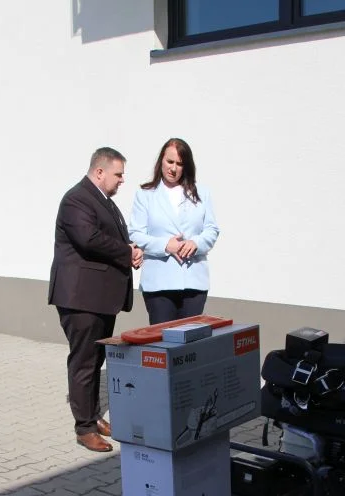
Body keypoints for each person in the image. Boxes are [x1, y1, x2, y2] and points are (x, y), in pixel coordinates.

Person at [48, 147, 144, 453]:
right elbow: (88, 239)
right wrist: (126, 252)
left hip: (99, 298)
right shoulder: (76, 199)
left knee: (95, 359)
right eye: (118, 174)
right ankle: (84, 428)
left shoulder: (103, 201)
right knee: (84, 362)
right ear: (99, 172)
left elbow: (110, 239)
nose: (122, 180)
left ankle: (92, 415)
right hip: (81, 299)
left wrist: (131, 249)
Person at [129, 138, 219, 325]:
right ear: (161, 160)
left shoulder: (202, 193)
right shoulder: (145, 194)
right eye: (170, 162)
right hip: (159, 282)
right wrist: (165, 245)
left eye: (179, 164)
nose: (173, 168)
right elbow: (135, 233)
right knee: (162, 337)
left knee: (190, 338)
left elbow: (211, 229)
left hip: (193, 280)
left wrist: (196, 243)